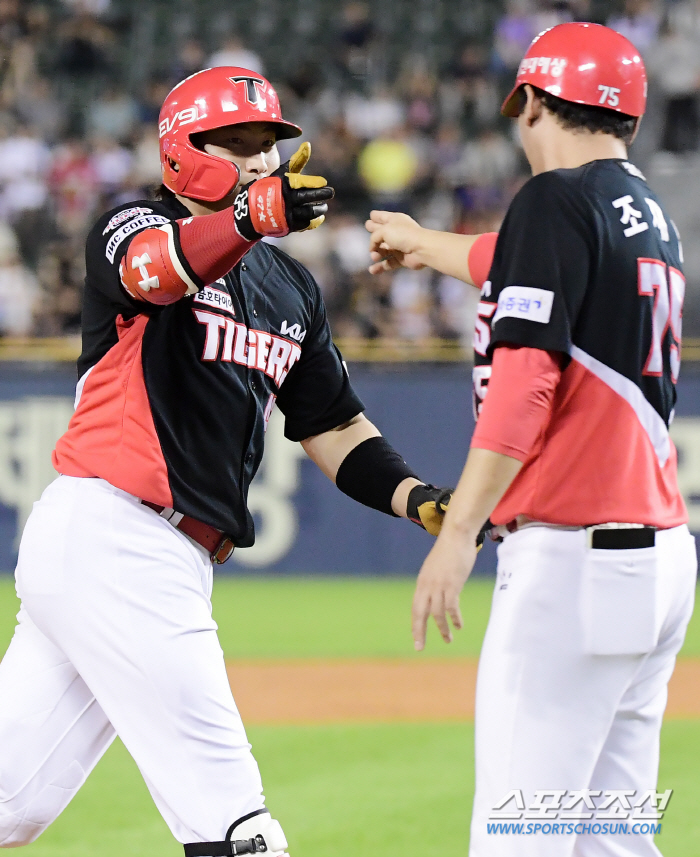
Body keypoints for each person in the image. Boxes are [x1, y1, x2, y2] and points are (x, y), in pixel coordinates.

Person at [0, 66, 456, 856]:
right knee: (241, 832)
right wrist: (250, 217)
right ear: (183, 149)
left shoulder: (289, 286)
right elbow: (158, 270)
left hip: (146, 552)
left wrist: (419, 498)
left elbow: (334, 425)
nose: (255, 160)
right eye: (234, 142)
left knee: (11, 804)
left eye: (267, 144)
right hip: (119, 535)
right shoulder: (132, 223)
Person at [366, 22, 696, 857]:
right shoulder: (648, 211)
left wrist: (461, 534)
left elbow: (523, 390)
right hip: (655, 558)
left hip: (572, 561)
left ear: (537, 103)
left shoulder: (553, 201)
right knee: (607, 840)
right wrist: (422, 245)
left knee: (519, 839)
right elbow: (516, 261)